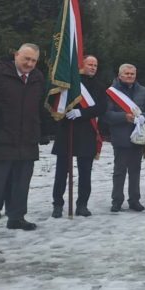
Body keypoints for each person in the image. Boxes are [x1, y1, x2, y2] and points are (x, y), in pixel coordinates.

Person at [0, 44, 51, 240]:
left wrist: (42, 132)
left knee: (21, 183)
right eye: (26, 58)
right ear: (16, 55)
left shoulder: (37, 77)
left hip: (27, 139)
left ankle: (16, 217)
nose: (29, 63)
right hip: (0, 138)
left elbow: (37, 108)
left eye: (33, 60)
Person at [51, 55, 107, 218]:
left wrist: (82, 112)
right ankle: (58, 205)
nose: (93, 67)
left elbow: (102, 107)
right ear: (81, 66)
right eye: (90, 64)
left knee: (85, 174)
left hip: (87, 132)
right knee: (61, 173)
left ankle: (82, 204)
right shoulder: (70, 84)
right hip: (67, 131)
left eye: (95, 65)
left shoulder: (99, 86)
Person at [104, 64, 145, 213]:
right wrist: (124, 117)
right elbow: (106, 114)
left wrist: (143, 118)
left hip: (139, 137)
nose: (130, 76)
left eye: (132, 74)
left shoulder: (143, 91)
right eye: (127, 74)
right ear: (120, 75)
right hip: (121, 136)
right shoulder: (111, 93)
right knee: (119, 171)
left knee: (135, 170)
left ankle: (134, 200)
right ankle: (117, 201)